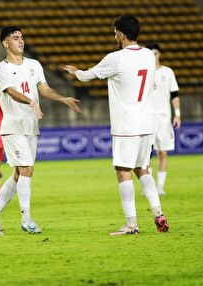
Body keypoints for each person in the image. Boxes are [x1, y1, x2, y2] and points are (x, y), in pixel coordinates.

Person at [64, 14, 169, 235]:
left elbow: (87, 76)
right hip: (146, 123)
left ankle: (131, 224)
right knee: (143, 170)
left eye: (114, 32)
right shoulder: (150, 56)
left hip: (126, 126)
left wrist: (75, 72)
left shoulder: (116, 58)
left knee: (123, 172)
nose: (114, 36)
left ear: (121, 34)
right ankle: (158, 213)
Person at [0, 26, 82, 235]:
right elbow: (11, 92)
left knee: (18, 173)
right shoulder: (1, 68)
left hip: (30, 127)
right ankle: (26, 218)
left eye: (22, 37)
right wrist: (31, 101)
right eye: (15, 38)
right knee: (27, 169)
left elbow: (44, 88)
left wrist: (62, 98)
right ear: (5, 43)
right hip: (13, 127)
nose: (20, 41)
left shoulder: (34, 65)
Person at [146, 43, 181, 195]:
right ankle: (150, 187)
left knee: (163, 153)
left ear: (159, 54)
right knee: (147, 154)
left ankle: (160, 186)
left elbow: (174, 94)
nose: (153, 57)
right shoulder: (144, 73)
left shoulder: (168, 72)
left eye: (155, 54)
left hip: (164, 118)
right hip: (147, 118)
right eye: (151, 54)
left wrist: (177, 114)